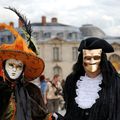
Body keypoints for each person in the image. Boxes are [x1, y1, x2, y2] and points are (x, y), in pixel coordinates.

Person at [0, 7, 58, 120]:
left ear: (23, 69)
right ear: (3, 66)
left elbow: (40, 115)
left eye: (19, 66)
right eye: (11, 65)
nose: (14, 70)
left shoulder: (31, 90)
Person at [62, 37, 120, 120]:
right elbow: (70, 112)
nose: (92, 61)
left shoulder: (115, 83)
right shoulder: (72, 81)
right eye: (88, 58)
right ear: (81, 60)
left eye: (96, 57)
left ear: (102, 60)